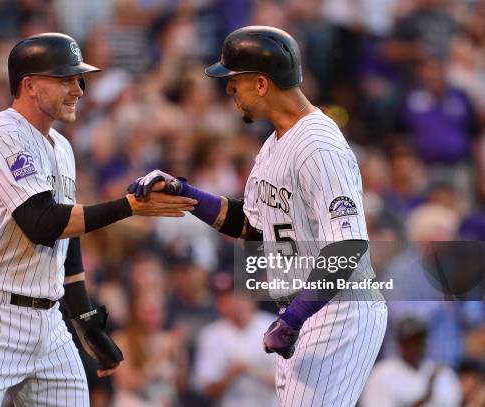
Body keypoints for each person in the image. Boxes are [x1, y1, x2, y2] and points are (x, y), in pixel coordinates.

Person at [129, 26, 388, 406]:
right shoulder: (273, 145)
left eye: (235, 82)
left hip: (337, 310)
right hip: (308, 309)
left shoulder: (318, 144)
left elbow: (348, 246)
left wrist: (294, 317)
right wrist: (184, 193)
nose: (230, 91)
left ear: (262, 84)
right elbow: (250, 226)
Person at [0, 32, 196, 406]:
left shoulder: (62, 146)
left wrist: (85, 319)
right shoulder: (2, 133)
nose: (77, 88)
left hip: (49, 322)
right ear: (28, 85)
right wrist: (130, 206)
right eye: (64, 79)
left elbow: (68, 237)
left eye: (79, 79)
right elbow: (43, 222)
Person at [192, 272, 276, 407]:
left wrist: (251, 370)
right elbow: (206, 388)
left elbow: (291, 382)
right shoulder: (211, 335)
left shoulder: (274, 326)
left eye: (237, 295)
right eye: (224, 298)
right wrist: (229, 376)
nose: (234, 303)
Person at [360, 316, 462, 407]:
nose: (415, 347)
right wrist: (425, 397)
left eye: (419, 341)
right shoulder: (380, 374)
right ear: (400, 344)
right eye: (410, 342)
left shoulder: (443, 373)